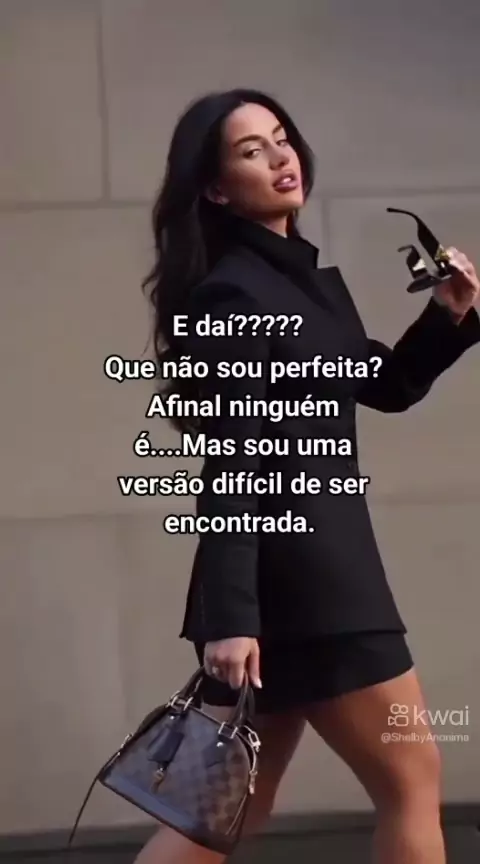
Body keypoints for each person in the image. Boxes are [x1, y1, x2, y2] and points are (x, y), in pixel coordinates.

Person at [136, 88, 480, 864]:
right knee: (411, 778)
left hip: (302, 575)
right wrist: (231, 617)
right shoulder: (234, 294)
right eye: (250, 150)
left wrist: (448, 315)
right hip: (307, 579)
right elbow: (234, 456)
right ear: (216, 189)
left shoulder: (307, 281)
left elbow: (384, 385)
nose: (279, 156)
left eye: (281, 137)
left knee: (228, 811)